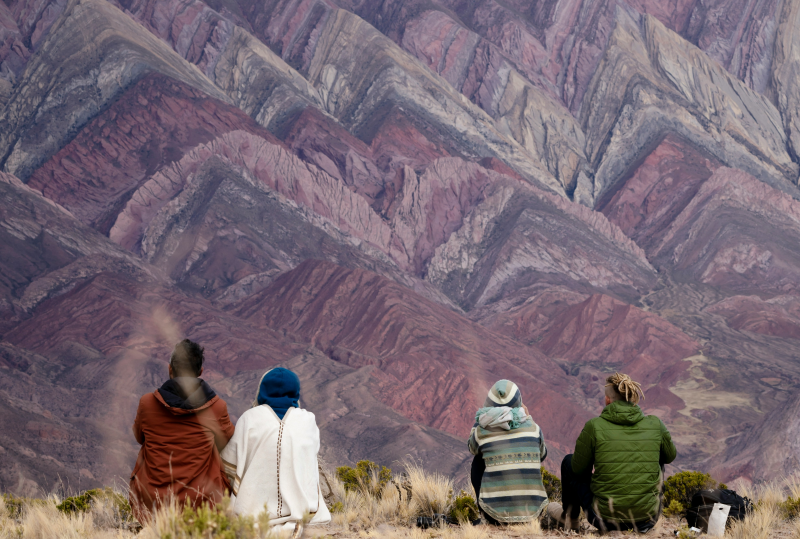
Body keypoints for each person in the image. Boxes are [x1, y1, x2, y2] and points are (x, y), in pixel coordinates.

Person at [547, 372, 677, 533]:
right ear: (632, 398)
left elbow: (579, 470)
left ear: (608, 399)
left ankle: (570, 520)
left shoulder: (594, 426)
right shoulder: (655, 424)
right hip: (647, 519)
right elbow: (670, 456)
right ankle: (642, 507)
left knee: (569, 462)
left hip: (603, 519)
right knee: (659, 455)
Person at [129, 339, 234, 522]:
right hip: (201, 505)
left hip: (152, 504)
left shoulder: (147, 403)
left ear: (170, 369)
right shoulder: (217, 407)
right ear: (200, 372)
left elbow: (139, 436)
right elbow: (225, 442)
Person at [220, 367, 331, 531]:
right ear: (295, 391)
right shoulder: (308, 421)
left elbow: (229, 465)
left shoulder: (249, 419)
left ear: (263, 390)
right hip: (304, 511)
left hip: (251, 512)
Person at [468, 379, 548, 524]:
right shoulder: (534, 429)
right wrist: (528, 418)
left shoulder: (482, 431)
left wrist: (480, 423)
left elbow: (472, 448)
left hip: (495, 516)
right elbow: (542, 455)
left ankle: (485, 516)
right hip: (534, 513)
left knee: (478, 460)